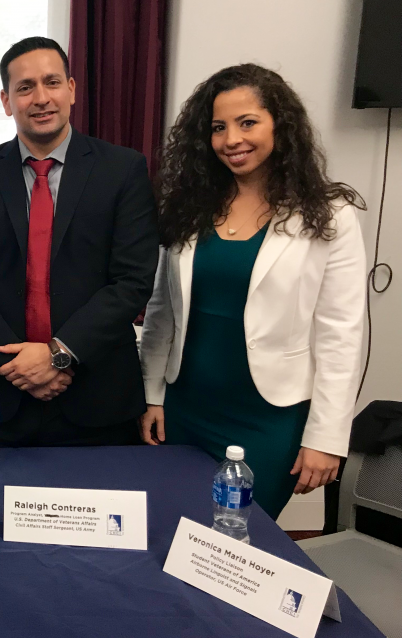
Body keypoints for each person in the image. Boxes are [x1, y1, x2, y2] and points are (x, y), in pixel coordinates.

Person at [139, 64, 367, 519]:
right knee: (172, 530)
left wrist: (325, 439)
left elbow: (341, 335)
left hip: (269, 419)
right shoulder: (187, 207)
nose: (231, 140)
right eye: (218, 128)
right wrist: (152, 396)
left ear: (280, 125)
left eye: (248, 123)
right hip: (185, 408)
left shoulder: (329, 215)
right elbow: (161, 311)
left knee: (240, 544)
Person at [0, 36, 159, 447]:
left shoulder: (123, 169)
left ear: (72, 89)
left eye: (52, 82)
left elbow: (132, 281)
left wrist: (59, 353)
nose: (41, 97)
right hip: (2, 396)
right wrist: (22, 364)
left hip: (98, 397)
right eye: (25, 88)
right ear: (7, 101)